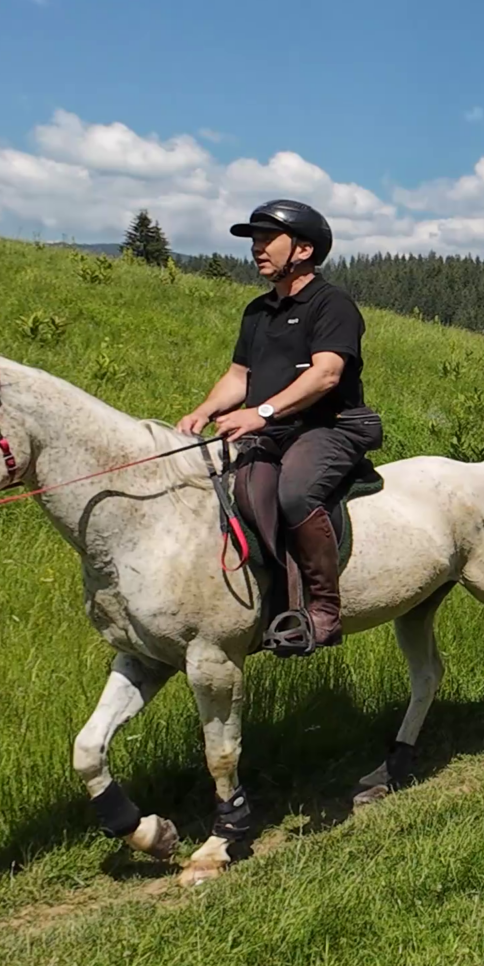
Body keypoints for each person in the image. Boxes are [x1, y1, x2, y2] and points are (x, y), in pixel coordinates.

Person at [177, 199, 385, 655]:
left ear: (304, 250)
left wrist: (262, 413)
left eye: (268, 239)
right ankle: (274, 602)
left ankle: (324, 611)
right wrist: (203, 411)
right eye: (254, 240)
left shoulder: (332, 304)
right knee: (247, 493)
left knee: (295, 493)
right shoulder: (257, 312)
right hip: (274, 433)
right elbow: (239, 377)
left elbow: (326, 374)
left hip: (331, 427)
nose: (257, 248)